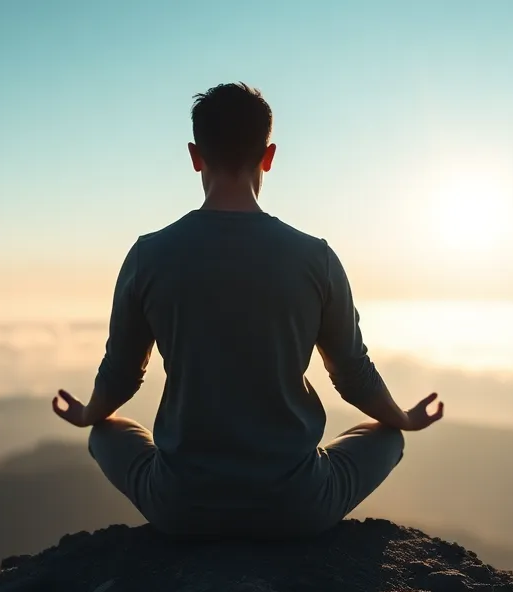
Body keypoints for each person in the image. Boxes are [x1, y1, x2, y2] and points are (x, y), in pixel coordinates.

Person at [51, 82, 443, 539]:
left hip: (182, 508)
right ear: (269, 155)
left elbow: (121, 374)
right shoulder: (316, 259)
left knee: (105, 433)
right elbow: (352, 374)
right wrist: (405, 419)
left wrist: (86, 415)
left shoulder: (149, 256)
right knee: (387, 438)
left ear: (196, 156)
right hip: (295, 508)